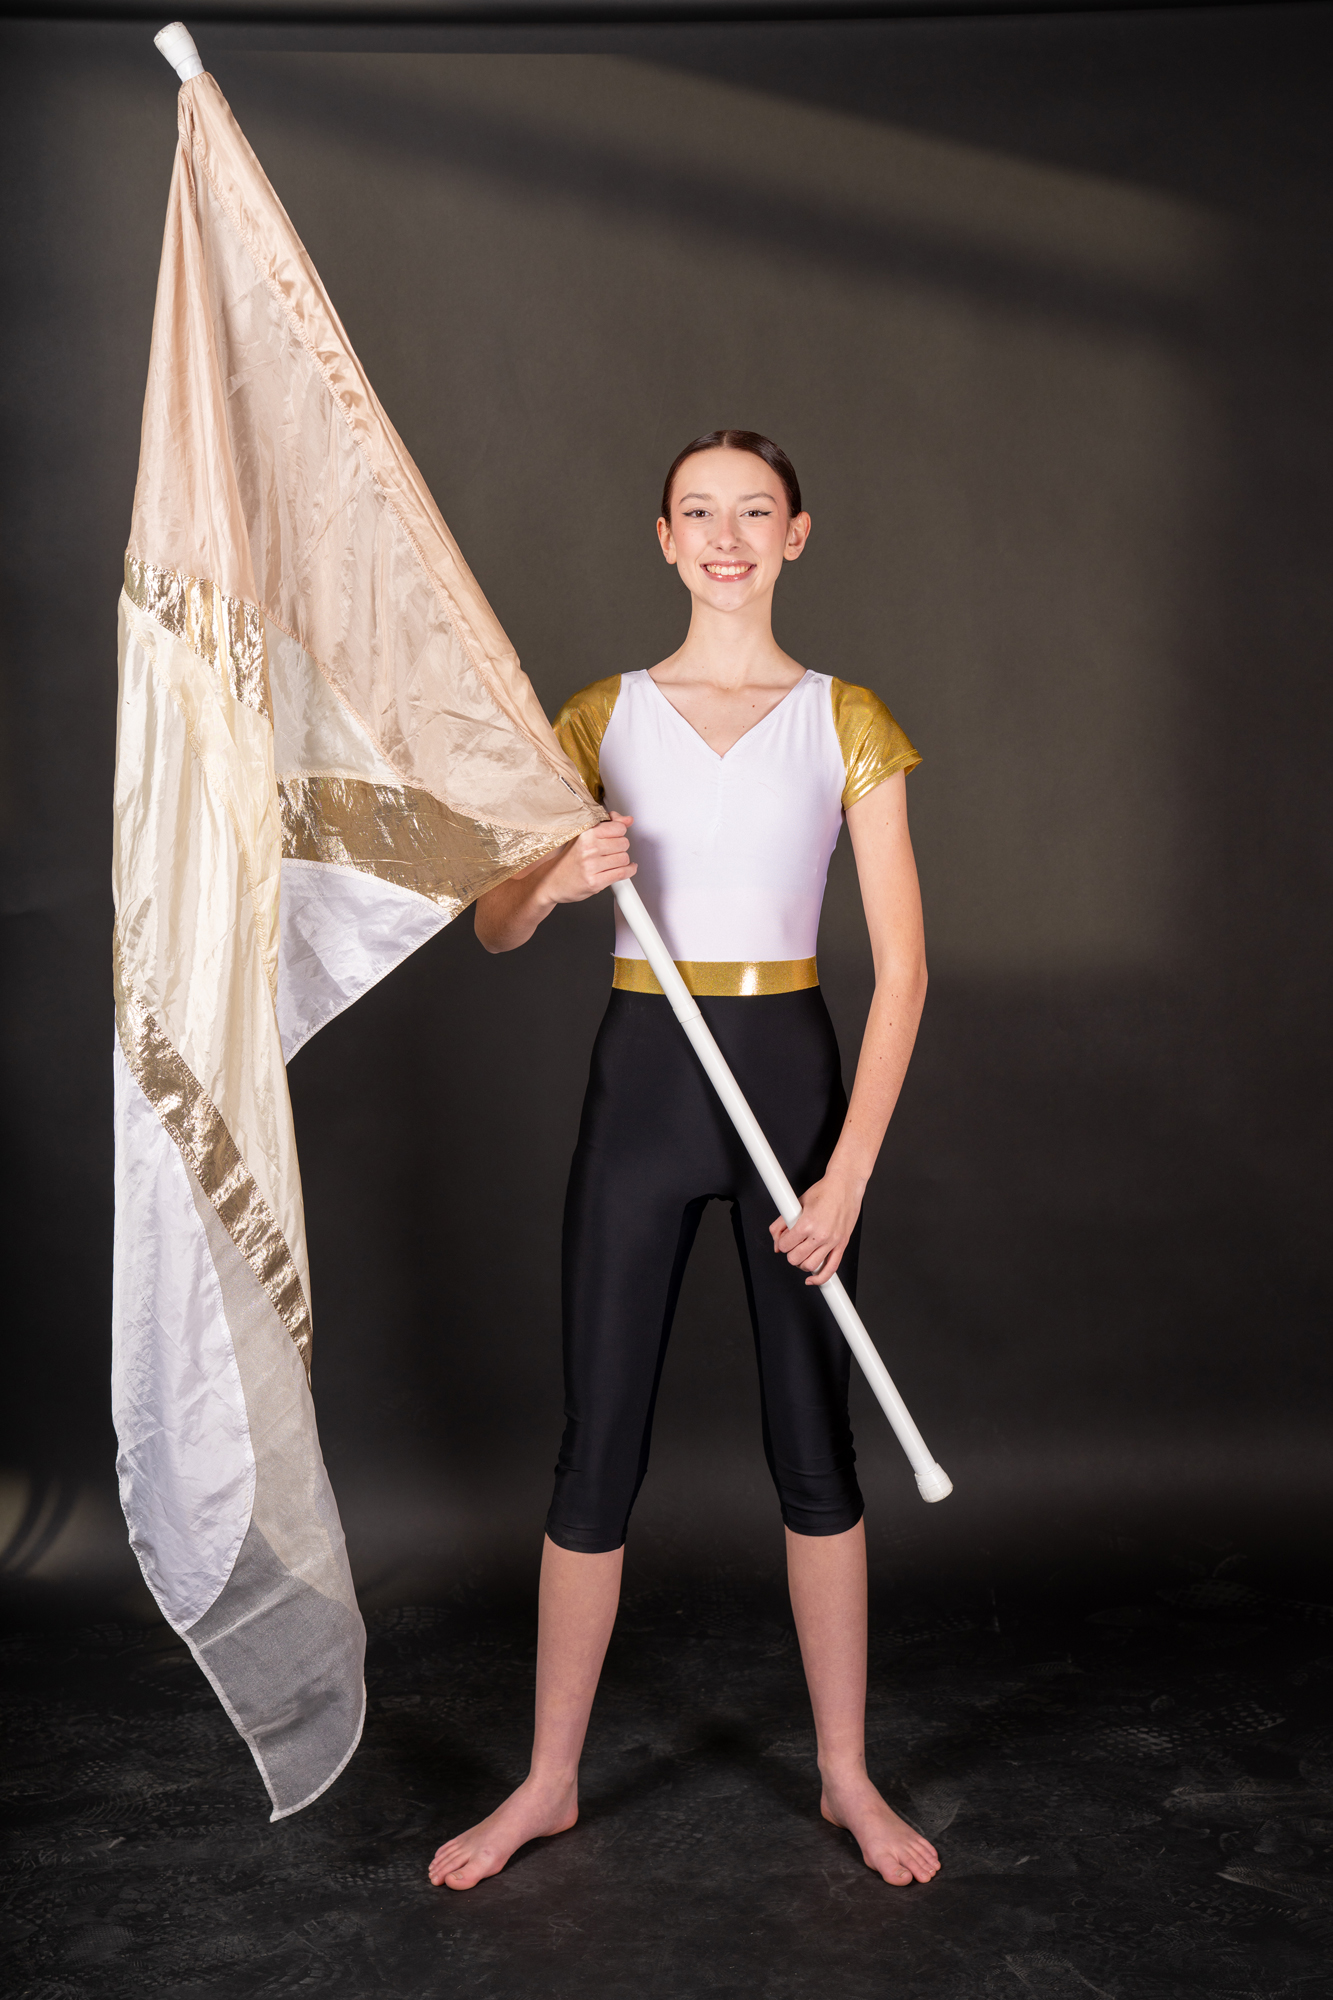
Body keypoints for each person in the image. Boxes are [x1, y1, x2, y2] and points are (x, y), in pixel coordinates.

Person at [429, 430, 938, 1891]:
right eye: (699, 512)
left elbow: (903, 972)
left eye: (754, 512)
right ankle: (547, 1782)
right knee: (597, 1444)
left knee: (814, 1443)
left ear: (796, 535)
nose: (726, 535)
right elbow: (494, 926)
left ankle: (845, 1776)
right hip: (645, 1084)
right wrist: (553, 877)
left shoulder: (847, 719)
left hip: (791, 1086)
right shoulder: (600, 718)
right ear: (663, 537)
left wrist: (845, 1175)